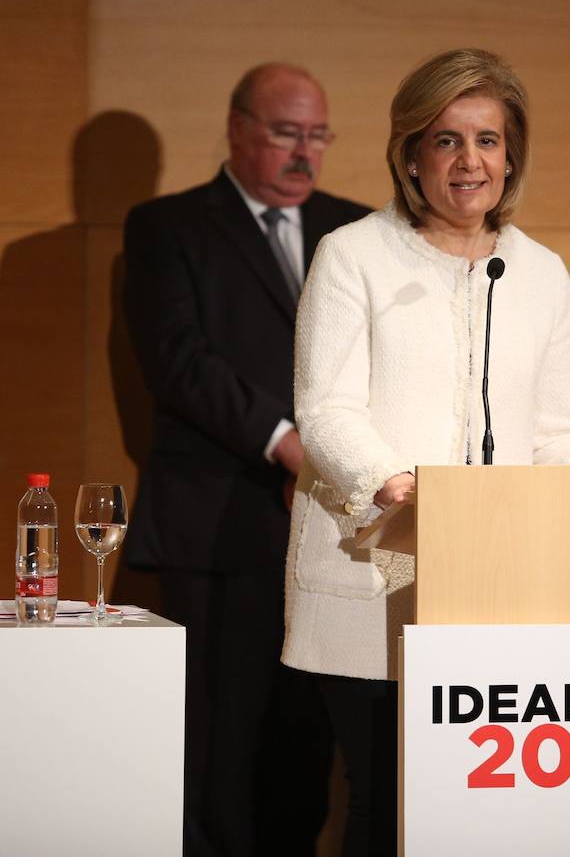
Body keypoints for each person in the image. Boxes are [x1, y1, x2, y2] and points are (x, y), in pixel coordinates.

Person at [280, 48, 570, 856]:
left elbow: (561, 432)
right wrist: (395, 483)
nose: (468, 161)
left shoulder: (541, 274)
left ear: (511, 154)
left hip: (495, 576)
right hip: (373, 575)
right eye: (445, 140)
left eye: (487, 140)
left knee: (473, 814)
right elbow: (326, 408)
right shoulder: (353, 255)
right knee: (383, 800)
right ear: (410, 153)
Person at [121, 63, 372, 857]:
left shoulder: (359, 231)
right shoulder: (167, 228)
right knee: (219, 742)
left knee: (308, 742)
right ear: (235, 128)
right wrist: (290, 442)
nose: (305, 153)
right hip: (222, 526)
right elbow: (179, 360)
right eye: (285, 132)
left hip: (337, 534)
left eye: (318, 135)